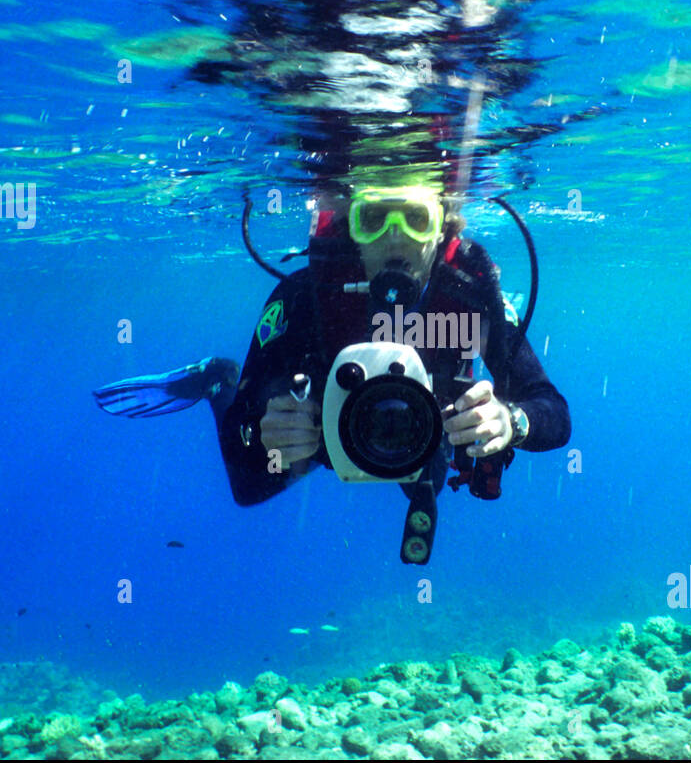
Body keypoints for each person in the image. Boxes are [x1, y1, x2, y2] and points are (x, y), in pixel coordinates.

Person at [94, 184, 570, 553]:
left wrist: (511, 421)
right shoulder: (307, 296)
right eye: (374, 218)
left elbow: (552, 410)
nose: (395, 236)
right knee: (250, 486)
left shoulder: (469, 293)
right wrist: (265, 428)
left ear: (442, 226)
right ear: (351, 228)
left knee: (430, 479)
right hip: (325, 433)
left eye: (417, 219)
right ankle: (216, 375)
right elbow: (245, 423)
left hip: (423, 430)